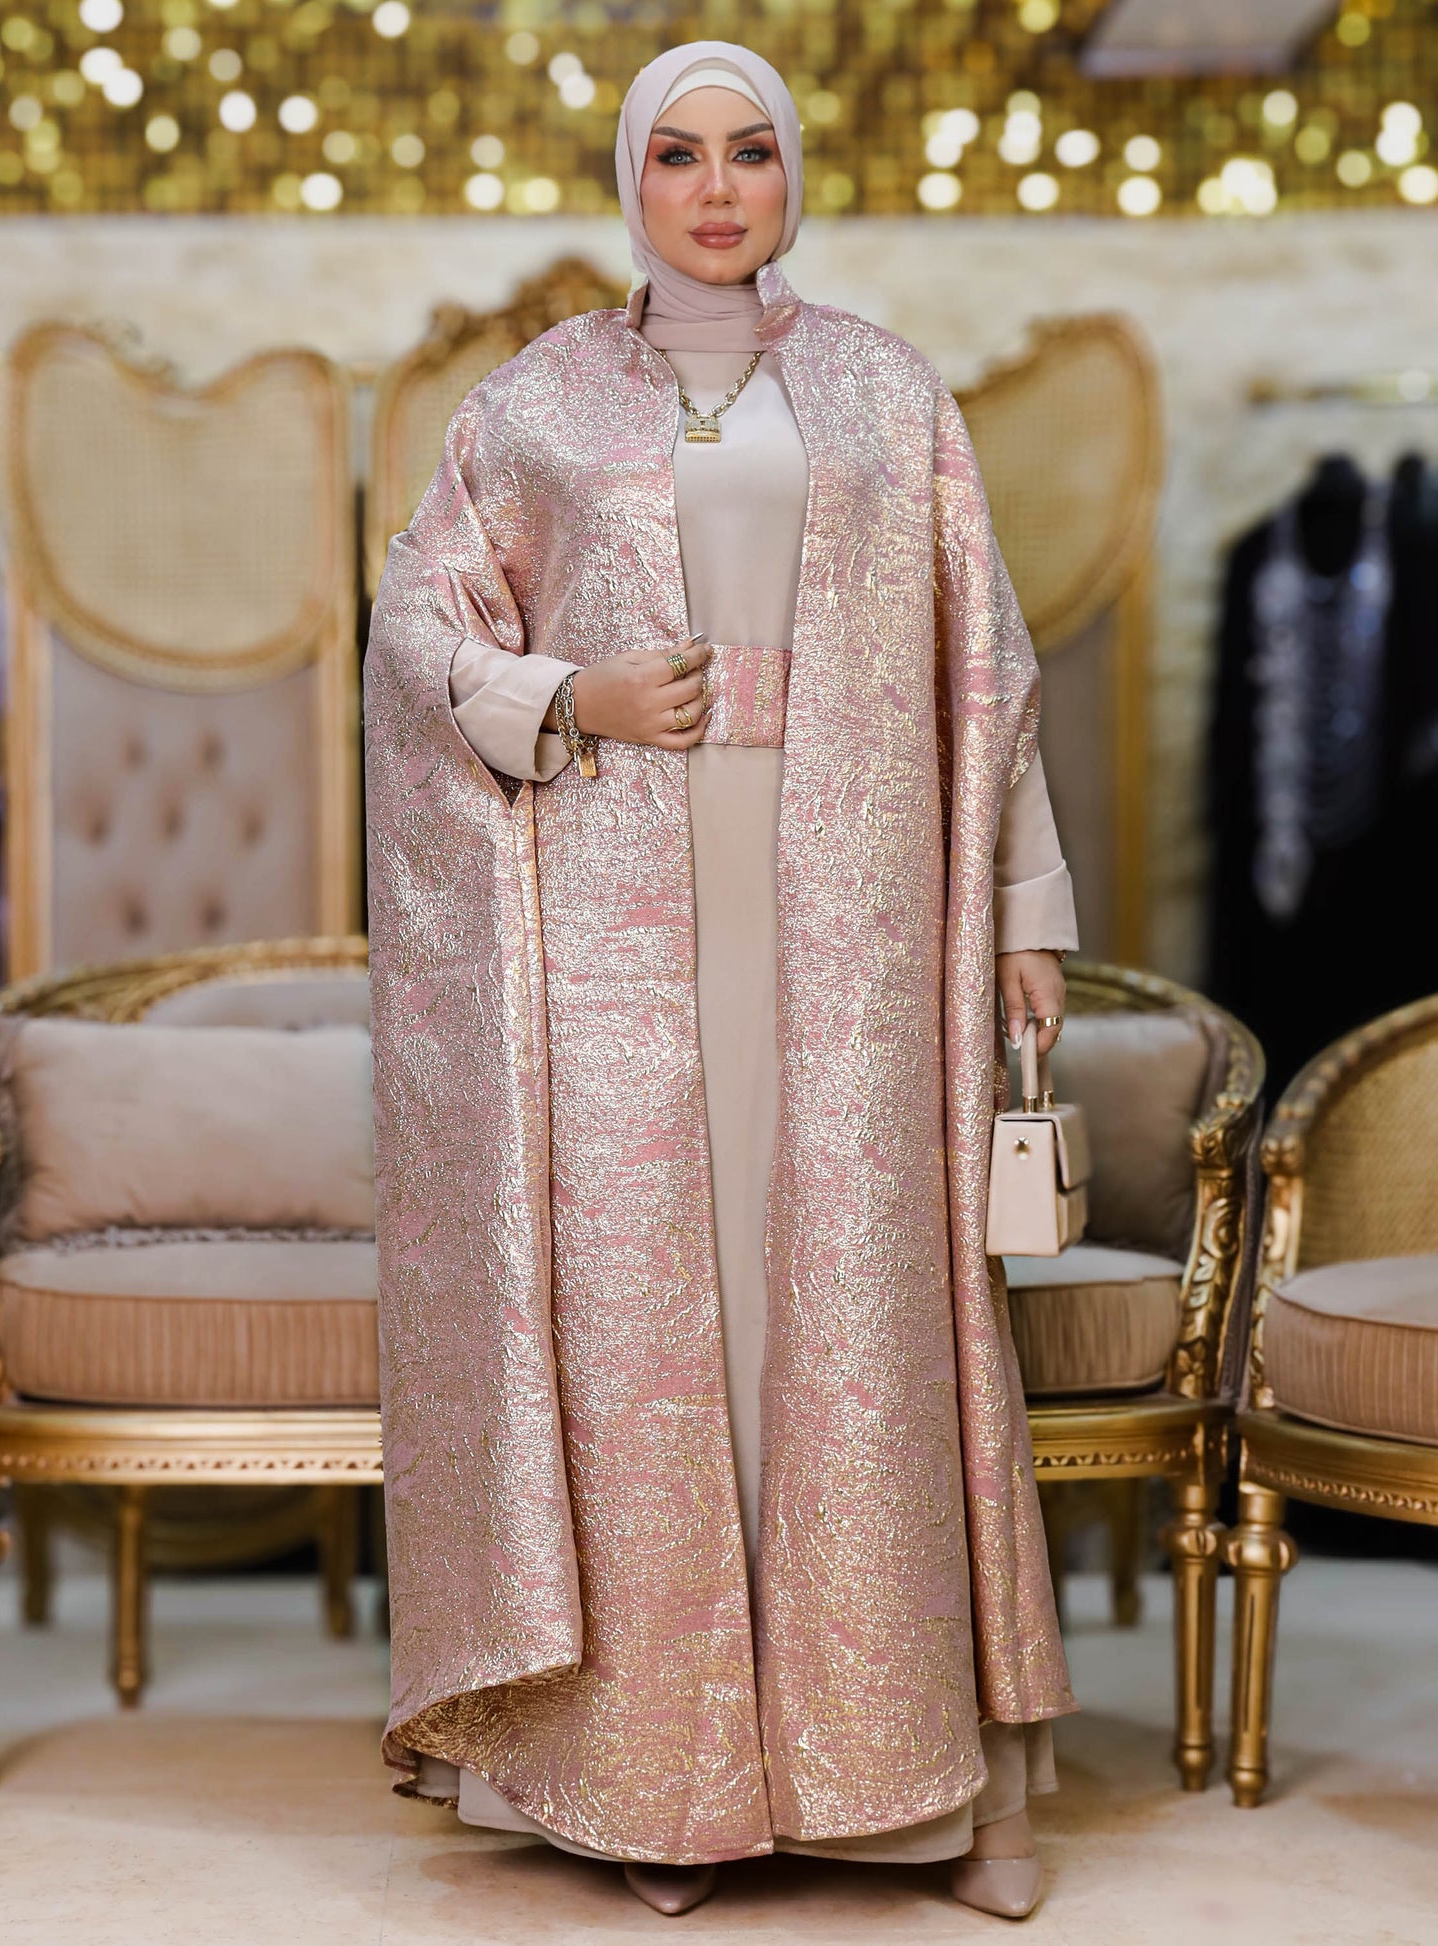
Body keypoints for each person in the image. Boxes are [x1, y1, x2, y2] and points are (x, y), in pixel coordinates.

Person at [362, 39, 1078, 1922]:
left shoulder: (887, 394)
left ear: (789, 177)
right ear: (630, 181)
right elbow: (415, 631)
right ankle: (655, 1787)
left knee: (851, 1314)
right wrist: (569, 696)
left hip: (855, 930)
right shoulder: (529, 407)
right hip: (610, 926)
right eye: (675, 155)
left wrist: (1024, 908)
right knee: (647, 1331)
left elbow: (988, 672)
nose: (713, 187)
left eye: (747, 151)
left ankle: (898, 1791)